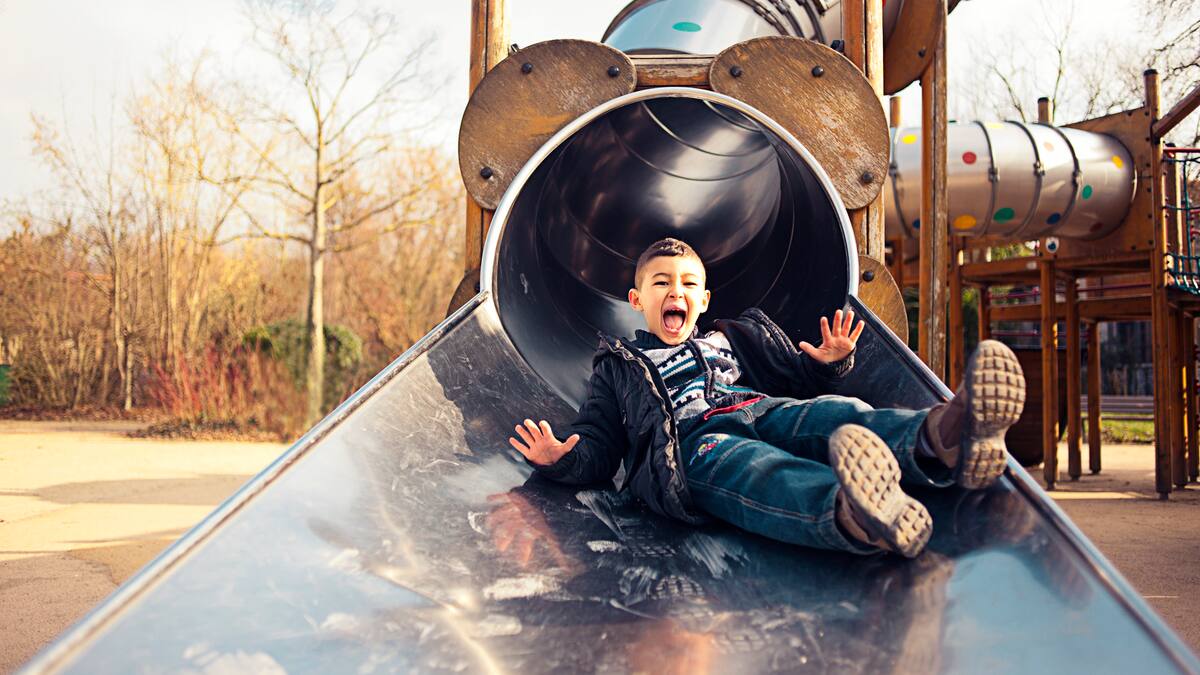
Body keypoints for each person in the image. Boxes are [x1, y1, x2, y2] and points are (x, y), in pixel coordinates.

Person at [507, 238, 1025, 558]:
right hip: (692, 445)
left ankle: (948, 437)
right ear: (638, 301)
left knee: (837, 415)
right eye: (661, 283)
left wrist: (828, 365)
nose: (676, 292)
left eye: (689, 284)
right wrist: (564, 458)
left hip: (756, 405)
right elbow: (600, 437)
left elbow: (796, 382)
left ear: (704, 301)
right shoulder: (620, 365)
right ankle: (856, 514)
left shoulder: (731, 339)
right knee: (759, 471)